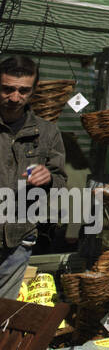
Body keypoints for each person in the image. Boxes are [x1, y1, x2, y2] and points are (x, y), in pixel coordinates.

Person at [0, 56, 68, 299]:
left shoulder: (47, 132)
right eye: (7, 89)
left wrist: (49, 177)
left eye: (23, 90)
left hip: (18, 238)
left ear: (33, 90)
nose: (15, 97)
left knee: (4, 310)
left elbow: (61, 182)